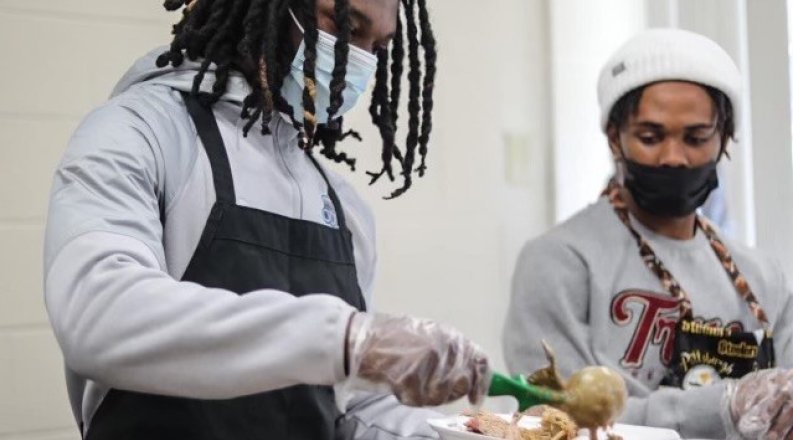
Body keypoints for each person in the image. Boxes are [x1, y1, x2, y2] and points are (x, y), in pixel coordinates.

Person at [43, 0, 490, 439]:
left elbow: (349, 408)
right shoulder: (138, 134)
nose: (361, 61)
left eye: (377, 46)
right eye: (347, 27)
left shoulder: (341, 206)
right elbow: (100, 315)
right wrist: (348, 341)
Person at [503, 28, 793, 439]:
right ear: (614, 138)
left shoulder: (763, 277)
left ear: (724, 138)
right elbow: (555, 417)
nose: (674, 158)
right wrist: (723, 405)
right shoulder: (560, 261)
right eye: (650, 137)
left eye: (696, 138)